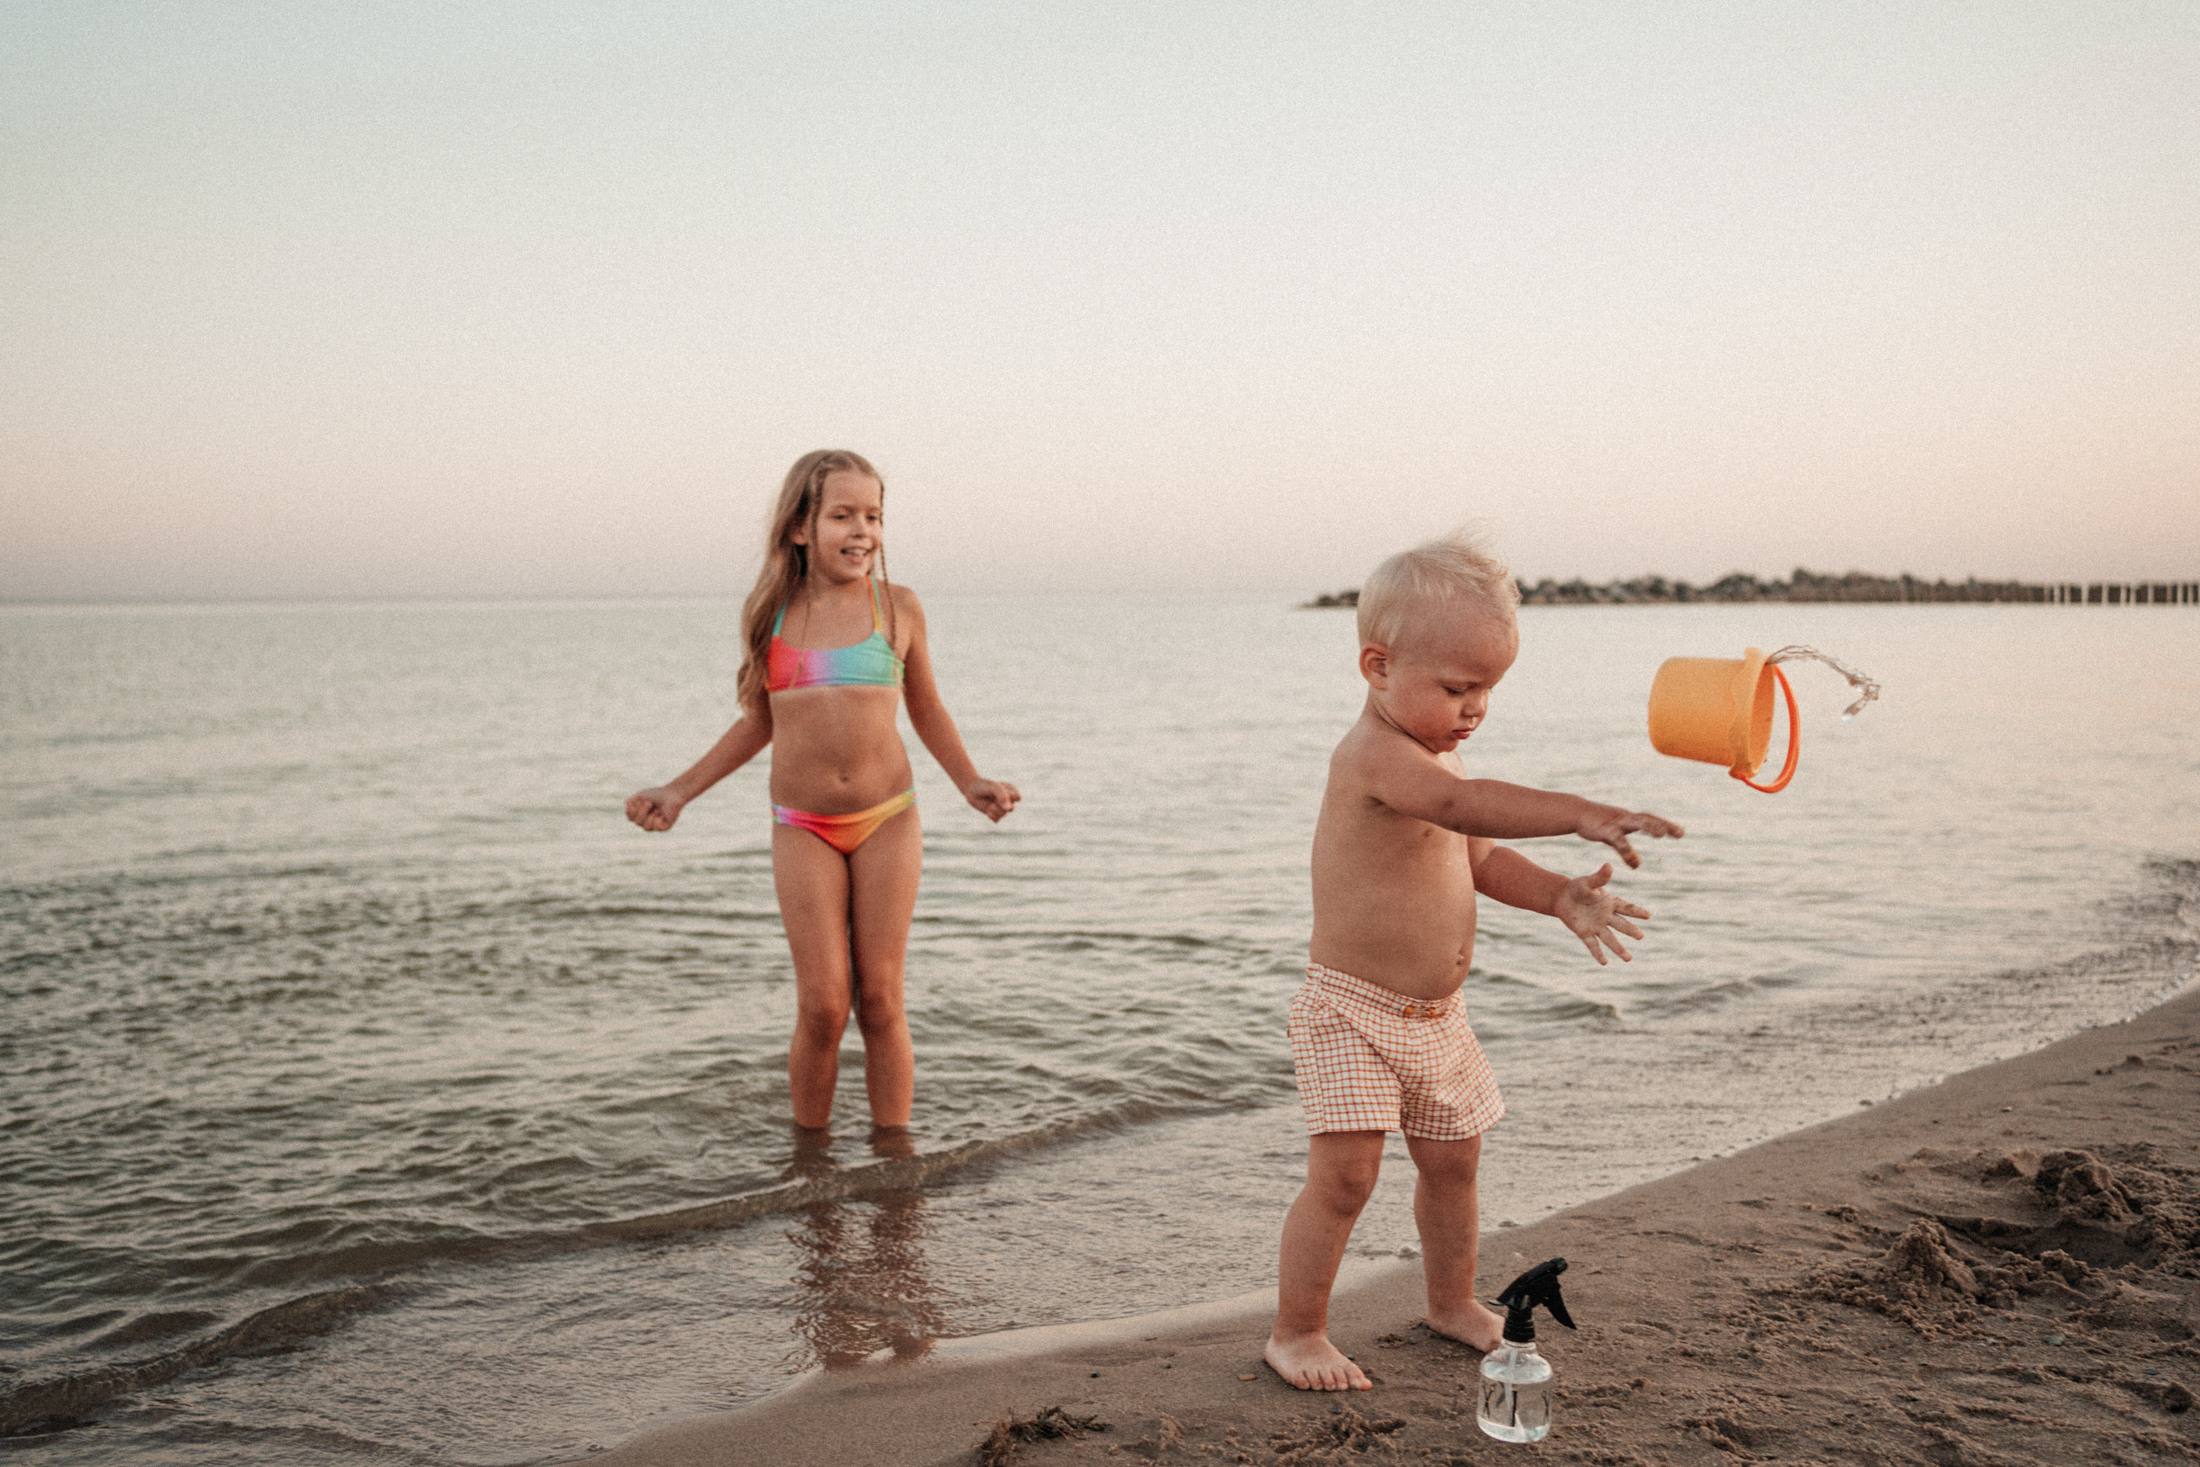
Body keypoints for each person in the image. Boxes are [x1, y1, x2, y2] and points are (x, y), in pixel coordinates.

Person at [1264, 530, 1682, 1391]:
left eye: (1488, 688)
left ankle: (1451, 1301)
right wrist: (1578, 811)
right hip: (1351, 1008)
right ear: (1376, 666)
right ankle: (1297, 1329)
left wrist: (1562, 894)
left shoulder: (1439, 753)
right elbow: (1458, 803)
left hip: (1438, 1019)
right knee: (1345, 1177)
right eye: (1457, 687)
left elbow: (1479, 856)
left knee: (1454, 1166)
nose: (1475, 707)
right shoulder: (1378, 757)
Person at [626, 450, 1019, 1132]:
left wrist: (969, 780)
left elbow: (926, 708)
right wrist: (680, 790)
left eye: (874, 515)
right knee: (822, 1003)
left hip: (889, 818)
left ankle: (894, 1157)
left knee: (881, 1000)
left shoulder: (898, 608)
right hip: (802, 825)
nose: (862, 529)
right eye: (843, 514)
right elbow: (758, 720)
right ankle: (809, 1158)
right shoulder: (774, 612)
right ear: (800, 528)